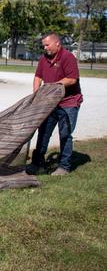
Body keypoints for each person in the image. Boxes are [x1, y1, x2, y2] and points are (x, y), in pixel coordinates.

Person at [29, 32, 83, 175]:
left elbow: (72, 79)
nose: (45, 48)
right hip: (50, 103)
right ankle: (37, 164)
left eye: (47, 45)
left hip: (68, 103)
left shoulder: (68, 57)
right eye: (43, 46)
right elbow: (38, 77)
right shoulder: (43, 59)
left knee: (65, 134)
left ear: (57, 43)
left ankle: (64, 167)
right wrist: (36, 95)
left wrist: (54, 86)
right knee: (43, 132)